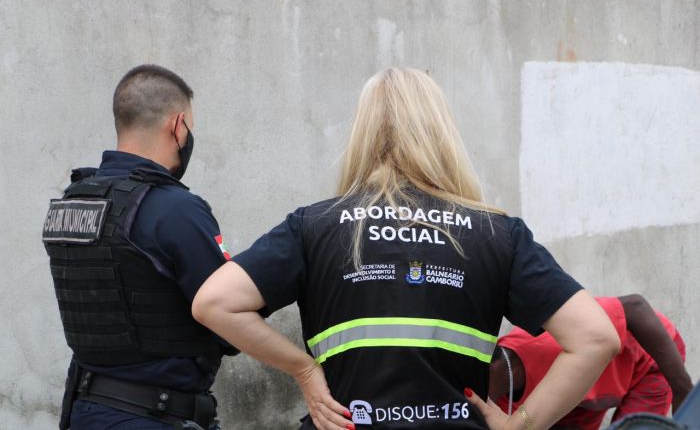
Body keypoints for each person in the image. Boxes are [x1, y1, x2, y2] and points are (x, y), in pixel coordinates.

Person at [191, 67, 620, 430]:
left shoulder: (315, 225)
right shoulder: (497, 232)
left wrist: (303, 370)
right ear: (442, 133)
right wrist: (521, 424)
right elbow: (596, 337)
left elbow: (214, 302)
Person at [42, 64, 236, 430]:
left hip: (85, 411)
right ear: (178, 126)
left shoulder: (72, 202)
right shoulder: (175, 209)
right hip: (155, 415)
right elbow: (229, 321)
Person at [489, 295, 693, 429]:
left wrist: (682, 387)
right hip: (586, 395)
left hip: (646, 363)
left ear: (494, 368)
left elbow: (636, 307)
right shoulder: (496, 400)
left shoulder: (548, 342)